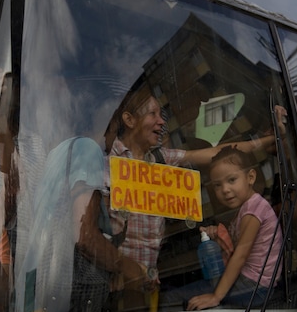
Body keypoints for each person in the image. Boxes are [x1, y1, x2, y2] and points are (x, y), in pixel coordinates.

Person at [104, 82, 281, 289]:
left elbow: (217, 153)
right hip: (116, 280)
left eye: (161, 115)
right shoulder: (107, 162)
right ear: (129, 119)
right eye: (153, 114)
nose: (162, 122)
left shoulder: (161, 158)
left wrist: (267, 139)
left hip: (149, 279)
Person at [18, 136, 145, 312]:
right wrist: (130, 269)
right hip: (64, 303)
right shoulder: (88, 149)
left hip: (35, 285)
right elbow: (84, 237)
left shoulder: (58, 152)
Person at [184, 145, 283, 310]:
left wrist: (216, 296)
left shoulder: (254, 209)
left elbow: (241, 255)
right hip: (252, 283)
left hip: (256, 286)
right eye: (217, 185)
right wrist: (218, 234)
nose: (225, 190)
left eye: (232, 180)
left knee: (186, 296)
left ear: (250, 177)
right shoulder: (246, 209)